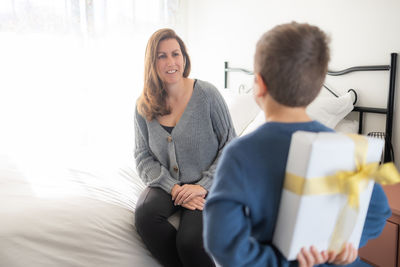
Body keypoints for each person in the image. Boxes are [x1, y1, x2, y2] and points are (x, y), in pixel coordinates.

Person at [203, 22, 391, 267]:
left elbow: (222, 242)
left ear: (259, 85)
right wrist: (344, 245)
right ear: (315, 88)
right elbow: (377, 211)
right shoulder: (346, 148)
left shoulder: (240, 154)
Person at [134, 28, 235, 267]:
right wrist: (174, 188)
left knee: (189, 242)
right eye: (162, 56)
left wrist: (202, 187)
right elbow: (142, 155)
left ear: (184, 58)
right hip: (167, 182)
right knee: (145, 217)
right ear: (152, 62)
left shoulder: (207, 94)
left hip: (209, 182)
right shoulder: (143, 105)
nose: (171, 62)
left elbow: (231, 145)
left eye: (175, 54)